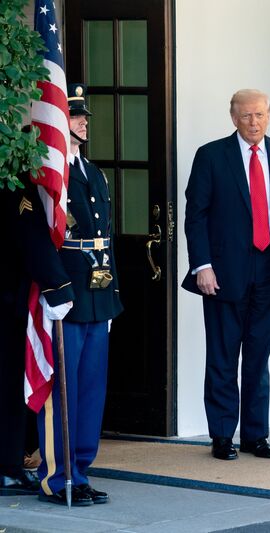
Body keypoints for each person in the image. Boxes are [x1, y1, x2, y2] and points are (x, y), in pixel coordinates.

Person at [183, 89, 270, 461]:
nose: (254, 123)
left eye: (260, 115)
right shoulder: (211, 156)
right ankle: (222, 435)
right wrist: (201, 265)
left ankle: (256, 436)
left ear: (269, 115)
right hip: (222, 274)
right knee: (222, 357)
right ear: (233, 117)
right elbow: (196, 216)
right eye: (246, 116)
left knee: (258, 357)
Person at [37, 83, 123, 506]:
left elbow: (106, 238)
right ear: (58, 121)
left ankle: (82, 470)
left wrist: (112, 295)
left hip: (97, 292)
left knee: (91, 388)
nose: (84, 121)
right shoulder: (48, 174)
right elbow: (41, 239)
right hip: (67, 292)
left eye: (84, 116)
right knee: (63, 390)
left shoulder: (93, 172)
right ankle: (57, 475)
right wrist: (55, 289)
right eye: (75, 116)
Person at [0, 171, 74, 496]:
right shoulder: (11, 178)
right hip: (7, 299)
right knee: (8, 384)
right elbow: (28, 235)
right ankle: (7, 468)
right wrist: (57, 285)